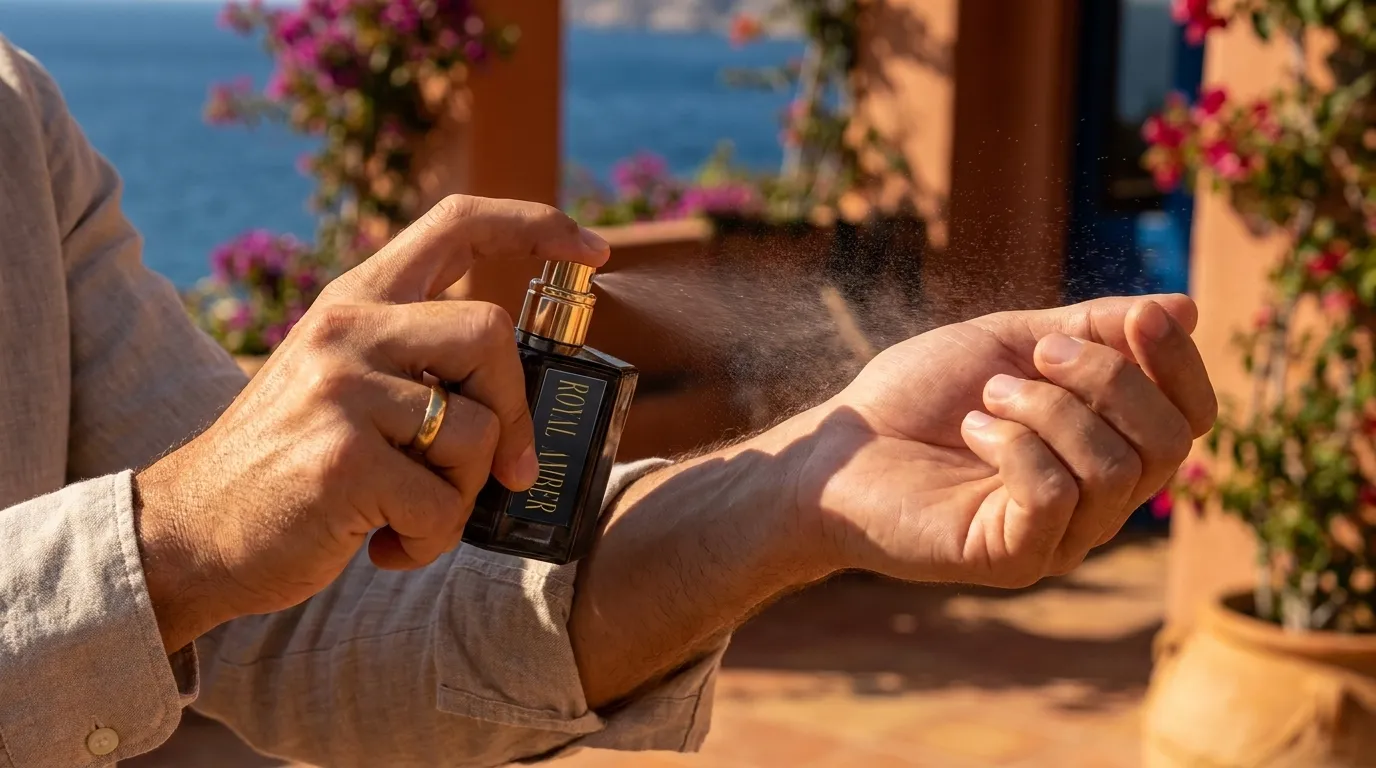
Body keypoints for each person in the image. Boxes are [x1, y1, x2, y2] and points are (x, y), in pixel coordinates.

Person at [0, 37, 1217, 768]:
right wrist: (169, 545)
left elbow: (295, 630)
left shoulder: (17, 121)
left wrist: (799, 487)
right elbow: (181, 561)